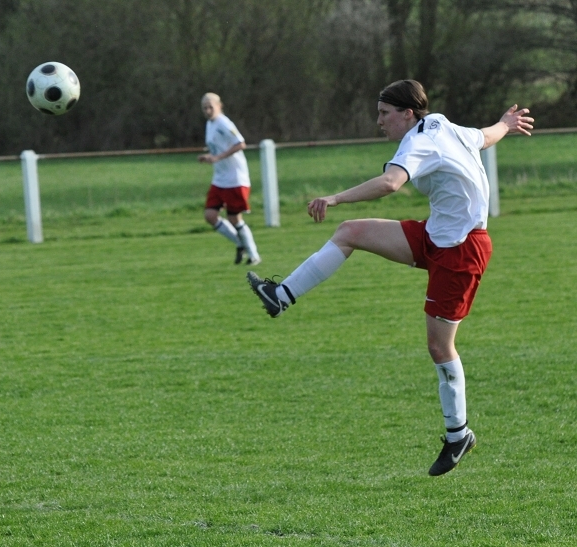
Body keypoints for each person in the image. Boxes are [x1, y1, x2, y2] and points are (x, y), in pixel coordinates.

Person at [247, 80, 534, 476]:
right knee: (350, 232)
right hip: (436, 235)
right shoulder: (442, 126)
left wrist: (334, 197)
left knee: (439, 346)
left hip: (462, 250)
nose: (379, 121)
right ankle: (281, 295)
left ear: (407, 113)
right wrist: (506, 123)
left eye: (384, 113)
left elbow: (389, 183)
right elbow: (485, 136)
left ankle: (458, 434)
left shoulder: (421, 140)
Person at [198, 92, 261, 266]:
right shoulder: (210, 124)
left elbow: (240, 143)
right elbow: (218, 148)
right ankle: (240, 243)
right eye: (205, 108)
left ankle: (254, 255)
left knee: (235, 219)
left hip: (235, 178)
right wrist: (209, 157)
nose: (208, 111)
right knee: (210, 215)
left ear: (219, 106)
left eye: (211, 107)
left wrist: (218, 158)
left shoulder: (224, 123)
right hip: (219, 179)